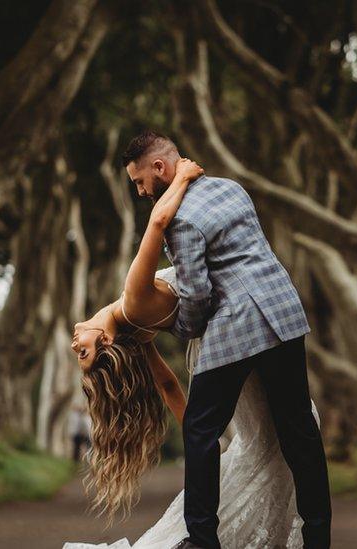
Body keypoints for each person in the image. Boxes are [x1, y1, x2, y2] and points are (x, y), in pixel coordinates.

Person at [65, 131, 331, 549]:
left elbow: (197, 299)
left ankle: (203, 541)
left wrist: (189, 328)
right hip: (283, 312)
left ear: (159, 168)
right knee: (299, 432)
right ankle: (319, 537)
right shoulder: (231, 188)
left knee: (201, 432)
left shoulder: (178, 222)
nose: (140, 192)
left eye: (139, 182)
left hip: (237, 326)